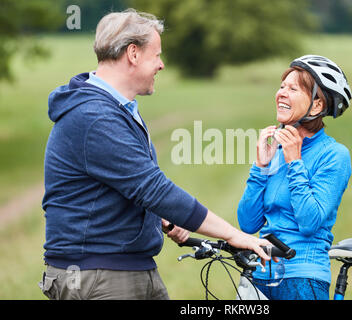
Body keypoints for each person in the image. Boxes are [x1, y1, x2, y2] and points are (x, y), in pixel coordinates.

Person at [39, 9, 272, 300]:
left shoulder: (114, 110)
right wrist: (232, 234)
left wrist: (155, 219)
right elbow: (154, 189)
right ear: (133, 54)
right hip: (99, 273)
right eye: (156, 55)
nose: (161, 65)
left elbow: (122, 186)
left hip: (124, 267)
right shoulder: (95, 117)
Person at [237, 55, 352, 300]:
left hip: (303, 278)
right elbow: (248, 223)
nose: (281, 93)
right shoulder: (275, 150)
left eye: (292, 89)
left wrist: (295, 162)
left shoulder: (334, 155)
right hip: (259, 274)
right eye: (281, 87)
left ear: (317, 106)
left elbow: (310, 222)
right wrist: (260, 166)